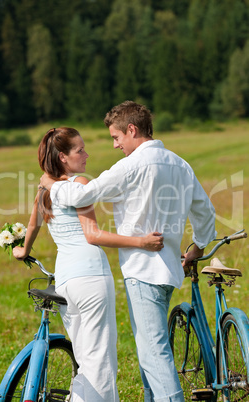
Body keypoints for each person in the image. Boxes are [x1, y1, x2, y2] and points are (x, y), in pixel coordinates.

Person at [40, 102, 217, 402]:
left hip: (142, 271)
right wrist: (197, 248)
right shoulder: (180, 164)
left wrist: (50, 184)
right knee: (150, 351)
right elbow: (206, 213)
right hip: (170, 270)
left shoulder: (132, 165)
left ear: (132, 130)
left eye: (116, 137)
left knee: (154, 356)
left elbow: (83, 194)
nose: (115, 145)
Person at [13, 127, 163, 402]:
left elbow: (33, 222)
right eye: (80, 150)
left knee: (86, 358)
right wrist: (141, 242)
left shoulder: (45, 189)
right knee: (101, 365)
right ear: (63, 157)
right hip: (91, 279)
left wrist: (24, 249)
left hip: (66, 282)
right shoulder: (78, 183)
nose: (86, 154)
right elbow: (92, 235)